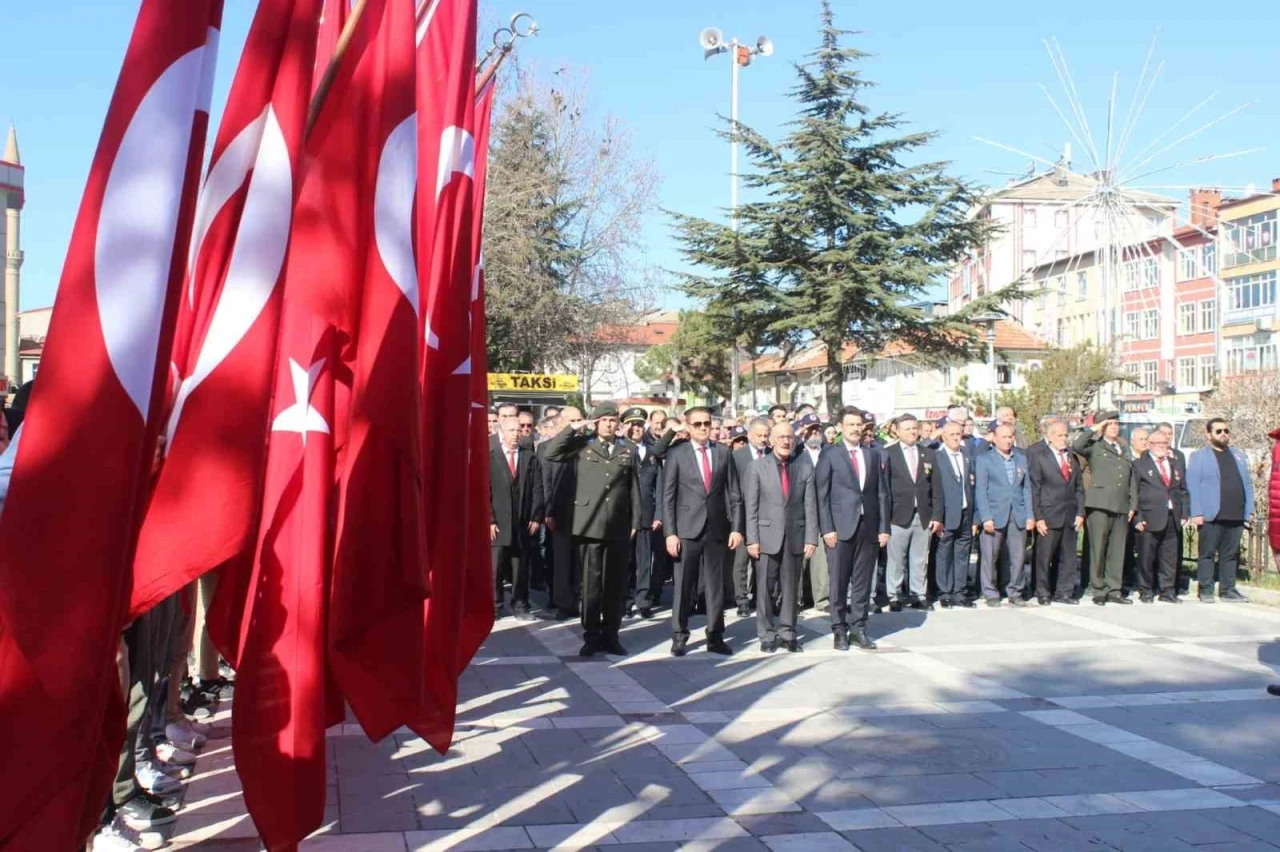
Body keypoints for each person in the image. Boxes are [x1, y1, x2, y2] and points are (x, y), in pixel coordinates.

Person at [543, 402, 642, 656]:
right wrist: (572, 429)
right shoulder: (581, 445)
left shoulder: (627, 450)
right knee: (591, 584)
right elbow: (550, 453)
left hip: (618, 525)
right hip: (588, 524)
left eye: (613, 420)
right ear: (595, 422)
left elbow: (634, 489)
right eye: (604, 420)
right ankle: (591, 636)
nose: (609, 424)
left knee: (616, 584)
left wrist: (635, 521)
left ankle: (611, 634)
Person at [663, 406, 744, 656]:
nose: (702, 428)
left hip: (717, 529)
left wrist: (737, 528)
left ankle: (715, 635)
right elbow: (668, 497)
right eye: (697, 424)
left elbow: (734, 494)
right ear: (688, 427)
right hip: (687, 529)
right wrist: (670, 533)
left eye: (706, 423)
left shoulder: (723, 453)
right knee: (684, 585)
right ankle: (679, 635)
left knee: (715, 586)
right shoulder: (677, 454)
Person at [815, 406, 889, 651]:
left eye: (859, 425)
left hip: (867, 528)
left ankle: (859, 628)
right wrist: (827, 528)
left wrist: (884, 527)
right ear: (840, 428)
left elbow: (881, 493)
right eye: (851, 425)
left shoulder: (873, 455)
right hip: (839, 528)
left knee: (862, 582)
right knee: (838, 580)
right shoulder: (830, 455)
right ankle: (839, 629)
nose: (856, 429)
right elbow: (822, 494)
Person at [745, 421, 817, 653]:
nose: (786, 441)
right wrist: (752, 539)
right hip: (766, 537)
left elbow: (810, 504)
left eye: (790, 437)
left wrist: (811, 538)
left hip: (795, 536)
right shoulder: (757, 467)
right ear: (772, 440)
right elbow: (751, 507)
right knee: (765, 588)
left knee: (791, 588)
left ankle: (788, 631)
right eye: (781, 437)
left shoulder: (804, 467)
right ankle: (766, 634)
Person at [1187, 418, 1253, 603]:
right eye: (1218, 431)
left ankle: (1228, 590)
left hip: (1235, 514)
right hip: (1211, 515)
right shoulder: (1199, 456)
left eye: (1226, 430)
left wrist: (1249, 510)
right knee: (1207, 554)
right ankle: (1206, 589)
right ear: (1209, 435)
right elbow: (1193, 485)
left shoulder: (1238, 455)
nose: (1223, 434)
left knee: (1230, 555)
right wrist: (1197, 512)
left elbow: (1247, 484)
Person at [1073, 412, 1134, 605]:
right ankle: (1098, 589)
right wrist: (1095, 428)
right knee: (1098, 548)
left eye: (1116, 424)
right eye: (1110, 424)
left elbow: (1130, 476)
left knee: (1117, 549)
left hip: (1120, 504)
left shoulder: (1123, 448)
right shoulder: (1095, 446)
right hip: (1099, 503)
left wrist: (1132, 504)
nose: (1115, 427)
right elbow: (1077, 445)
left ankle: (1114, 589)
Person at [490, 419, 544, 620]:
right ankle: (495, 606)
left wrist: (536, 516)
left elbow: (538, 488)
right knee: (495, 567)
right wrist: (490, 519)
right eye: (511, 430)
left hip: (523, 520)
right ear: (501, 432)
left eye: (518, 430)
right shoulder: (491, 457)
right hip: (498, 522)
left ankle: (521, 604)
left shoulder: (529, 457)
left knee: (520, 566)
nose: (516, 433)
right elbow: (483, 489)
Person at [975, 424, 1035, 606]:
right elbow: (981, 490)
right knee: (990, 556)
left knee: (1018, 557)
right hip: (994, 514)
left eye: (1010, 437)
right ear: (994, 438)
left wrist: (1030, 515)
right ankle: (990, 592)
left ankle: (1015, 591)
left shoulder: (1021, 459)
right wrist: (985, 517)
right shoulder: (985, 459)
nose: (1008, 440)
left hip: (1017, 514)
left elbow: (1026, 489)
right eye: (1004, 437)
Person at [1027, 418, 1085, 605]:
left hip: (1069, 514)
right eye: (1059, 435)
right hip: (1049, 514)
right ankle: (1043, 591)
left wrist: (1080, 512)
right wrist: (1038, 517)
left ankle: (1064, 592)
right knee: (1044, 557)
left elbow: (1078, 487)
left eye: (1065, 435)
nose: (1064, 438)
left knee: (1069, 557)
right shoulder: (1040, 457)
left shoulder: (1071, 457)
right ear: (1049, 437)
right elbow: (1034, 489)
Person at [1131, 429, 1190, 603]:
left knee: (1169, 557)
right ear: (1149, 445)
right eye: (1157, 443)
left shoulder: (1175, 463)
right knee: (1146, 557)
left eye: (1165, 443)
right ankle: (1146, 590)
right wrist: (1137, 516)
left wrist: (1184, 512)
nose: (1161, 447)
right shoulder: (1140, 465)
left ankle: (1167, 591)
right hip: (1149, 517)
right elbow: (1133, 492)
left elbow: (1183, 490)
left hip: (1172, 516)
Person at [884, 414, 935, 611]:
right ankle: (894, 595)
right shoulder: (889, 453)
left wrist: (936, 516)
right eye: (907, 429)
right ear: (897, 431)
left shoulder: (928, 453)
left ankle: (918, 594)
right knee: (896, 559)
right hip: (898, 514)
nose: (913, 432)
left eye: (914, 428)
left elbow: (935, 488)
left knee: (920, 558)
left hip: (922, 514)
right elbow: (885, 488)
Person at [622, 407, 665, 619]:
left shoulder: (652, 451)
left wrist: (659, 514)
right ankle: (625, 600)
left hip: (647, 514)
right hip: (624, 515)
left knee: (644, 561)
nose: (636, 428)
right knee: (625, 560)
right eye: (631, 424)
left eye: (639, 424)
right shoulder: (620, 449)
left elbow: (660, 485)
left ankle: (643, 600)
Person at [930, 422, 977, 608]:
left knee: (962, 553)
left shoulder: (966, 456)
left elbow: (971, 484)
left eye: (959, 434)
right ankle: (945, 591)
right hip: (947, 513)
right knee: (944, 554)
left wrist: (975, 518)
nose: (956, 438)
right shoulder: (937, 457)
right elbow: (935, 490)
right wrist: (937, 517)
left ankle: (960, 591)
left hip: (966, 512)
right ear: (943, 437)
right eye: (952, 435)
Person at [542, 406, 581, 619]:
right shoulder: (548, 448)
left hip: (583, 512)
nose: (576, 424)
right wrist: (548, 510)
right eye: (571, 421)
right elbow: (546, 482)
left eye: (579, 419)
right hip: (559, 512)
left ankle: (578, 600)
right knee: (561, 560)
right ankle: (563, 603)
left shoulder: (586, 446)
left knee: (579, 561)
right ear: (561, 423)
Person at [731, 417, 772, 616]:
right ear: (749, 435)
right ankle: (742, 600)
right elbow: (731, 487)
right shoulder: (737, 457)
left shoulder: (772, 455)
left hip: (766, 517)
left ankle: (760, 597)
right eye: (759, 435)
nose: (763, 439)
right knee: (741, 560)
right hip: (743, 515)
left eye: (766, 435)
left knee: (762, 559)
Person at [794, 413, 829, 611]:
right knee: (798, 557)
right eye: (811, 429)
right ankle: (796, 599)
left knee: (821, 559)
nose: (815, 432)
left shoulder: (829, 451)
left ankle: (822, 599)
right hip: (800, 511)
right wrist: (798, 435)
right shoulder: (795, 451)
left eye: (818, 429)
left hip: (822, 511)